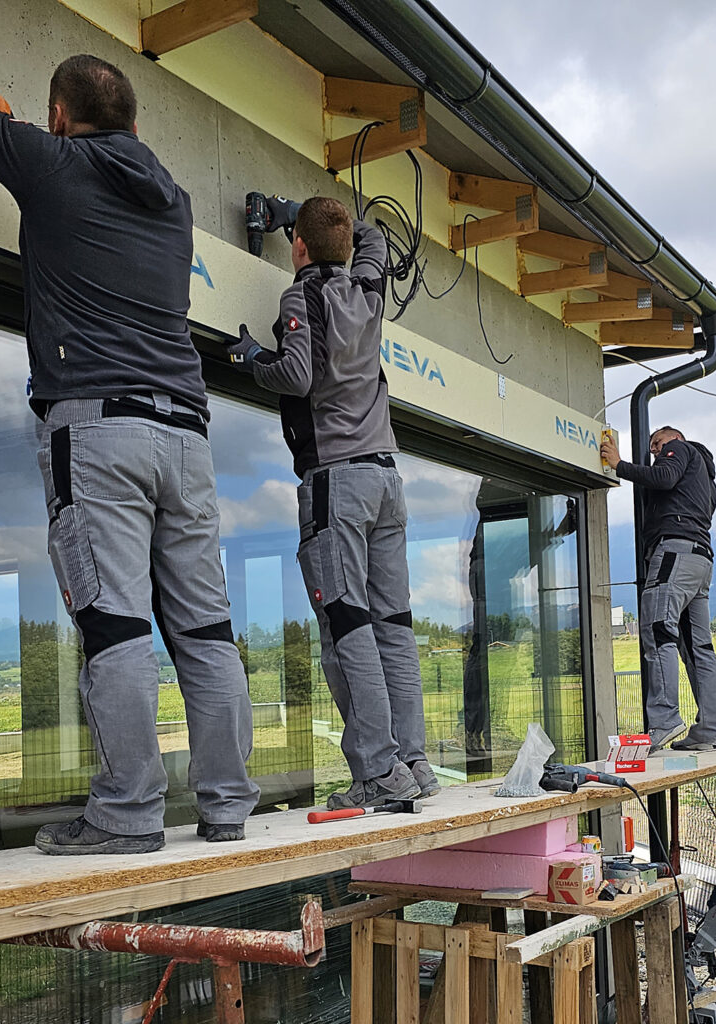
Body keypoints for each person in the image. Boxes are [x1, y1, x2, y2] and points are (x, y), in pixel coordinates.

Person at [0, 56, 260, 854]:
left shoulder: (51, 162)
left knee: (114, 626)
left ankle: (127, 816)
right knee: (206, 630)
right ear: (138, 127)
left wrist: (3, 107)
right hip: (186, 432)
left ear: (60, 117)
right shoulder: (173, 199)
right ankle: (226, 809)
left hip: (99, 428)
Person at [226, 196, 438, 808]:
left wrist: (251, 358)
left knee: (347, 625)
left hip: (335, 482)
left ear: (297, 248)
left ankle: (377, 774)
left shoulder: (302, 296)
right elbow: (367, 241)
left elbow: (295, 376)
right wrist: (301, 213)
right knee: (393, 626)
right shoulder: (368, 289)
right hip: (384, 478)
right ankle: (413, 762)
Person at [600, 426, 716, 752]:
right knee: (700, 648)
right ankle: (709, 730)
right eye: (653, 446)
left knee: (657, 631)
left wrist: (618, 465)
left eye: (658, 444)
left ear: (675, 439)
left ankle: (665, 719)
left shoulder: (681, 451)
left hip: (674, 555)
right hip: (700, 561)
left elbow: (665, 477)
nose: (655, 451)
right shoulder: (707, 482)